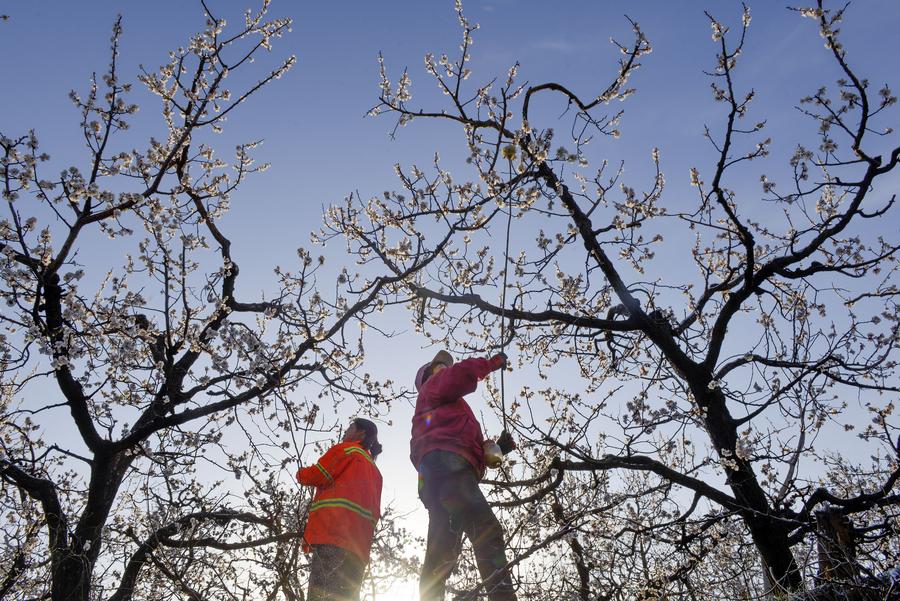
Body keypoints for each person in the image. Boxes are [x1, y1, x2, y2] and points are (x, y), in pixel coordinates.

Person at [412, 349, 518, 601]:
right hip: (449, 467)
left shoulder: (450, 409)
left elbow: (465, 446)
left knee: (442, 550)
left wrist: (498, 449)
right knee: (485, 528)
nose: (443, 372)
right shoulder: (432, 387)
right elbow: (454, 376)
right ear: (429, 374)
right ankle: (502, 597)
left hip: (440, 471)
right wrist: (489, 364)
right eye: (438, 369)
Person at [297, 418, 383, 601]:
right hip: (359, 548)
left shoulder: (345, 450)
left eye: (350, 427)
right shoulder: (375, 471)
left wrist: (300, 473)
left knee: (322, 595)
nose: (345, 431)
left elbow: (318, 475)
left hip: (333, 537)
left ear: (361, 433)